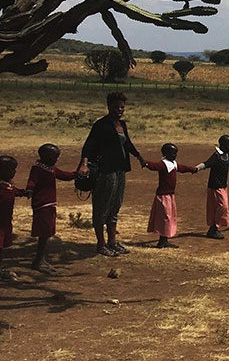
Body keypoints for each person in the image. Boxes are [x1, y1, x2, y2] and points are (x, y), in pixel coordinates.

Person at [77, 91, 144, 257]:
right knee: (102, 206)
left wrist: (139, 157)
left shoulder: (122, 125)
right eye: (116, 107)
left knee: (115, 205)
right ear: (109, 107)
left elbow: (127, 143)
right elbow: (88, 146)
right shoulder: (101, 125)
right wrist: (84, 164)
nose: (119, 110)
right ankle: (101, 244)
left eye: (122, 107)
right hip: (105, 170)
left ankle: (112, 242)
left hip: (120, 169)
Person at [26, 144, 77, 273]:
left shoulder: (50, 168)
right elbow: (32, 181)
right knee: (44, 233)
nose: (57, 159)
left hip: (48, 204)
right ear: (46, 156)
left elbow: (64, 175)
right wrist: (29, 190)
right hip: (42, 205)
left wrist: (77, 174)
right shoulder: (38, 168)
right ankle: (38, 261)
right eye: (55, 156)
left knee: (47, 233)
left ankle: (40, 260)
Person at [143, 144, 199, 249]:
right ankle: (162, 240)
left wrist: (192, 169)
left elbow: (182, 168)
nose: (175, 155)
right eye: (173, 153)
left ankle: (164, 239)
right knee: (166, 217)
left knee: (168, 217)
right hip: (163, 196)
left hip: (169, 195)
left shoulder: (172, 164)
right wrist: (145, 163)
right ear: (166, 154)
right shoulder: (163, 164)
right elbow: (154, 166)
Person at [200, 135, 229, 239]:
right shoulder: (216, 156)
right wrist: (196, 168)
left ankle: (213, 229)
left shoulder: (226, 155)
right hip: (215, 186)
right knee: (222, 206)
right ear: (223, 145)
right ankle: (213, 228)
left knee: (218, 207)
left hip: (223, 186)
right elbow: (207, 164)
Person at [0, 155, 24, 281]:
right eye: (11, 169)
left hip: (5, 222)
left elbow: (14, 191)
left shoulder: (8, 185)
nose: (14, 172)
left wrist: (24, 192)